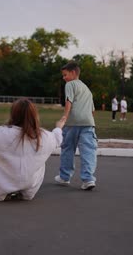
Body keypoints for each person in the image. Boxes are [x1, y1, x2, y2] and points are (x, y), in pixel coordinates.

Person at [0, 98, 63, 201]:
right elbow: (57, 138)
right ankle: (23, 191)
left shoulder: (2, 133)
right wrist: (59, 127)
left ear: (13, 114)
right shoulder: (45, 136)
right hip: (30, 185)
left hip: (0, 185)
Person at [55, 62, 97, 190]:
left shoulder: (70, 84)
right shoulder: (87, 89)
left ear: (73, 73)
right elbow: (92, 110)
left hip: (72, 123)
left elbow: (69, 101)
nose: (64, 78)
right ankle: (88, 179)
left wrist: (64, 117)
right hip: (88, 123)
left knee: (68, 149)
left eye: (65, 75)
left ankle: (65, 177)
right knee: (88, 151)